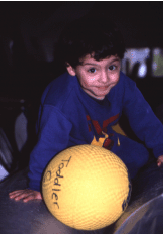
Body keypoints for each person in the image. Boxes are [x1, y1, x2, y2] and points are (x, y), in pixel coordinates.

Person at [9, 16, 163, 203]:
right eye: (92, 70)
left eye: (112, 67)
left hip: (98, 138)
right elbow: (47, 146)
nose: (105, 79)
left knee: (139, 156)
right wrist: (37, 186)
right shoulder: (60, 103)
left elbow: (144, 118)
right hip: (66, 149)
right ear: (71, 68)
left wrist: (161, 146)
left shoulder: (123, 85)